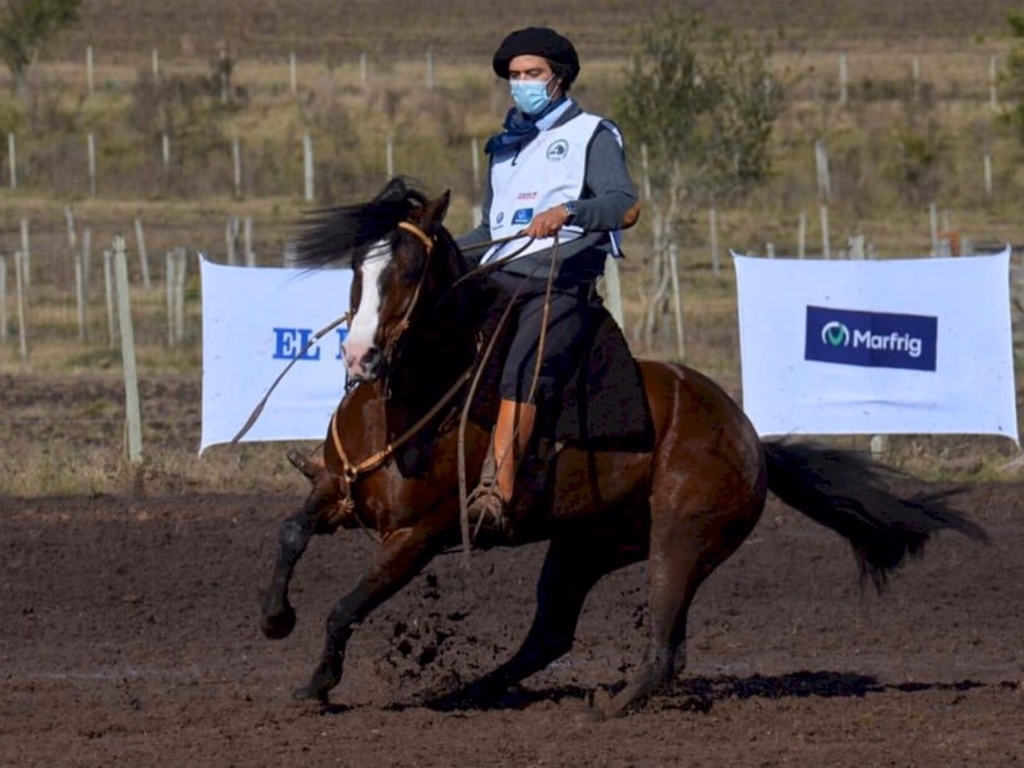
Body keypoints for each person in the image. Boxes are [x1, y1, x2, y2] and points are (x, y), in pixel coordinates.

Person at [458, 26, 640, 533]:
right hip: (503, 277)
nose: (521, 84)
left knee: (525, 360)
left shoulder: (594, 134)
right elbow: (491, 228)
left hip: (560, 285)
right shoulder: (504, 146)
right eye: (515, 77)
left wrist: (570, 210)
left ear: (559, 79)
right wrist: (442, 251)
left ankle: (499, 487)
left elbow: (625, 206)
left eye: (532, 74)